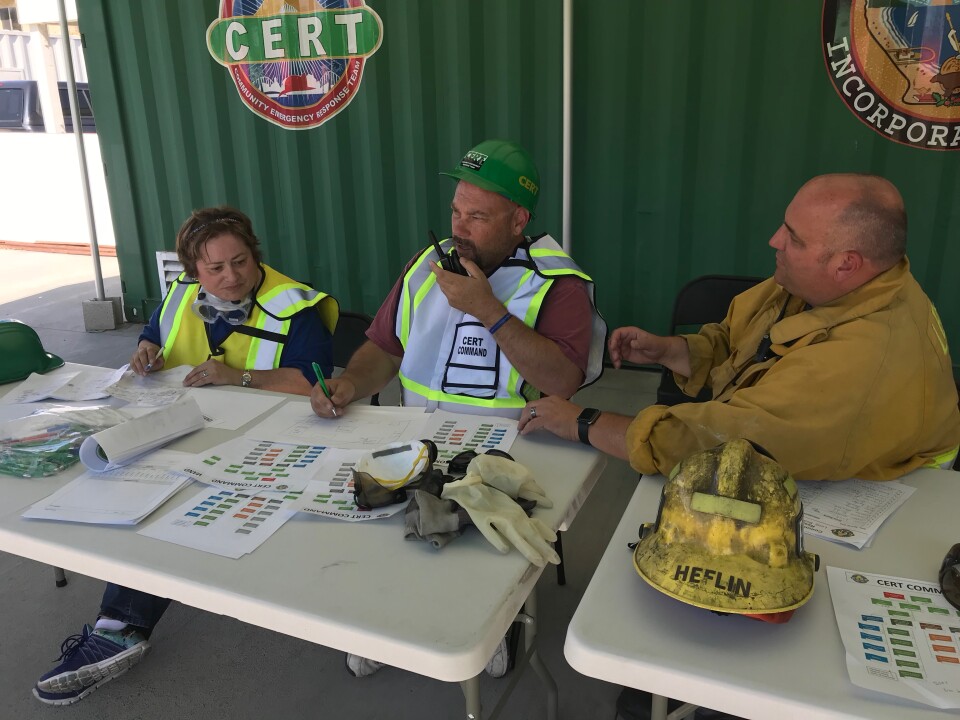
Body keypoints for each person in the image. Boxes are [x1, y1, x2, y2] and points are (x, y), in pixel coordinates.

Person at [311, 139, 607, 677]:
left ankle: (491, 621)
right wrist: (351, 383)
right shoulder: (428, 266)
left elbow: (562, 380)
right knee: (375, 520)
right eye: (455, 211)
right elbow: (384, 346)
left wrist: (489, 311)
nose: (459, 227)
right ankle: (383, 619)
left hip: (511, 451)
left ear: (519, 220)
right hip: (418, 439)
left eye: (478, 216)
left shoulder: (557, 283)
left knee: (476, 541)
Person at [33, 206, 339, 706]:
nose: (231, 277)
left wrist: (240, 377)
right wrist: (145, 351)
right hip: (187, 429)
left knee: (171, 497)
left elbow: (318, 381)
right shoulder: (178, 297)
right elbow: (155, 335)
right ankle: (122, 624)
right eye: (215, 269)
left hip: (275, 441)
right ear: (194, 271)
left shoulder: (295, 305)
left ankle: (119, 627)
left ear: (255, 255)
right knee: (129, 481)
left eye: (240, 262)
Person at [519, 173, 960, 482]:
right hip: (817, 449)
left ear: (847, 264)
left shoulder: (862, 361)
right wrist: (674, 350)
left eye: (794, 238)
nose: (774, 241)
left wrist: (584, 420)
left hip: (882, 492)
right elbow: (741, 338)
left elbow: (718, 446)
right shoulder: (832, 284)